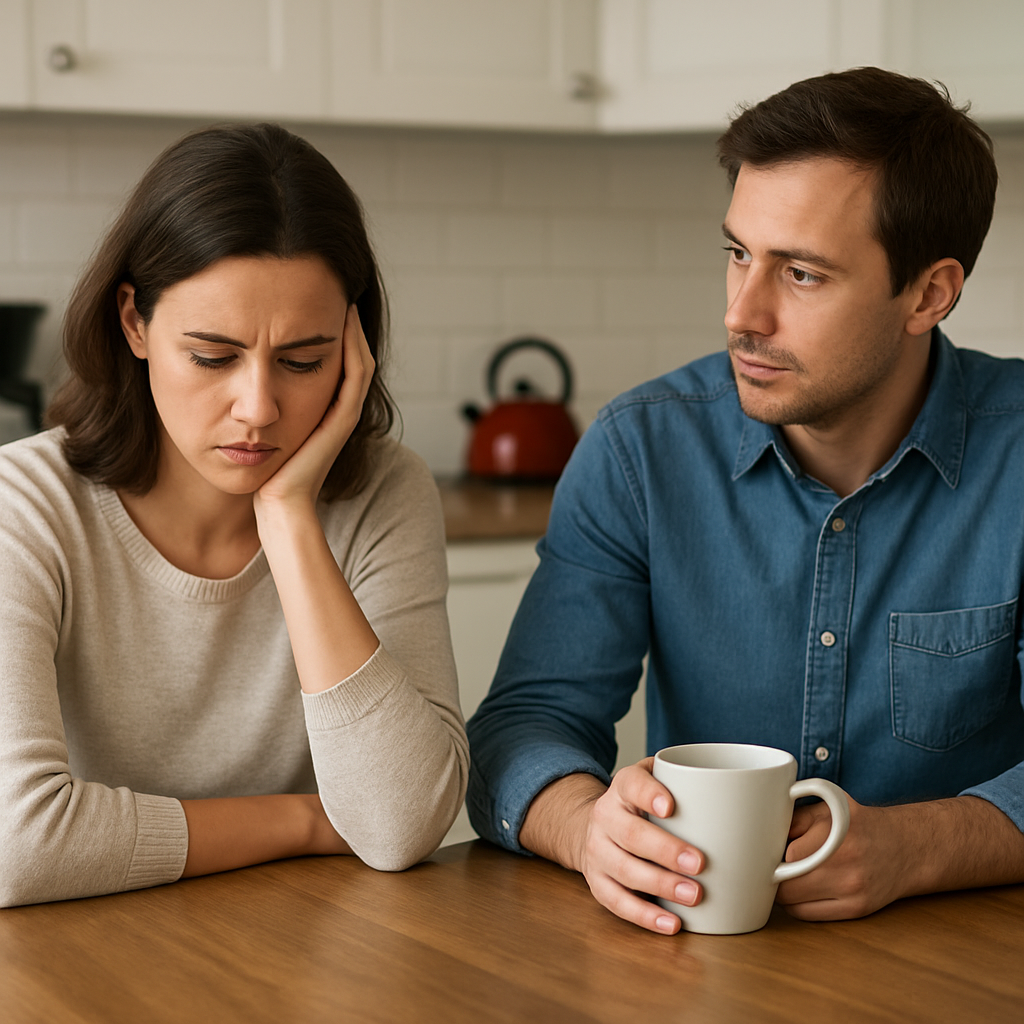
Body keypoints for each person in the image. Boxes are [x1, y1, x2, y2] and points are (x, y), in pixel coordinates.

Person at [466, 67, 1024, 934]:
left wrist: (919, 847)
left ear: (929, 293)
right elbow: (524, 726)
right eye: (738, 254)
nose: (741, 313)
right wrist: (587, 829)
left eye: (801, 274)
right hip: (699, 963)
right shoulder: (638, 451)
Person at [0, 124, 468, 907]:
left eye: (303, 361)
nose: (257, 409)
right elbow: (19, 846)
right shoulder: (26, 505)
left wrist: (287, 517)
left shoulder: (385, 494)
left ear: (353, 352)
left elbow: (397, 826)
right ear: (135, 323)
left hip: (302, 947)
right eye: (213, 357)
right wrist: (304, 822)